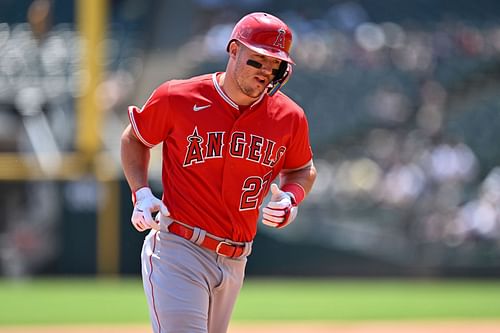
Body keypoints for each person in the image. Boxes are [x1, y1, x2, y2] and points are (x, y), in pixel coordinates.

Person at [120, 12, 317, 333]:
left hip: (237, 260)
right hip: (179, 249)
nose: (266, 72)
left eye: (276, 65)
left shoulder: (289, 117)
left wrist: (292, 199)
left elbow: (302, 169)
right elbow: (134, 138)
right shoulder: (178, 97)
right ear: (234, 50)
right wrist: (140, 193)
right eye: (258, 61)